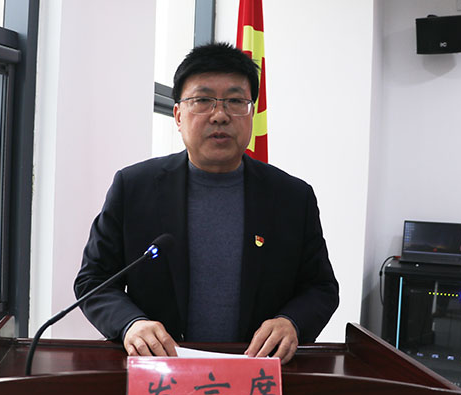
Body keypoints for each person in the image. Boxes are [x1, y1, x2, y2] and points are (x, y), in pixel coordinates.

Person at [74, 42, 339, 364]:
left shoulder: (292, 197)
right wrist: (131, 324)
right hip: (160, 371)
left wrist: (291, 322)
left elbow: (321, 287)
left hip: (257, 371)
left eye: (235, 101)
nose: (220, 115)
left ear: (251, 114)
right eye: (202, 101)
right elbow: (94, 280)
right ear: (178, 115)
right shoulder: (134, 187)